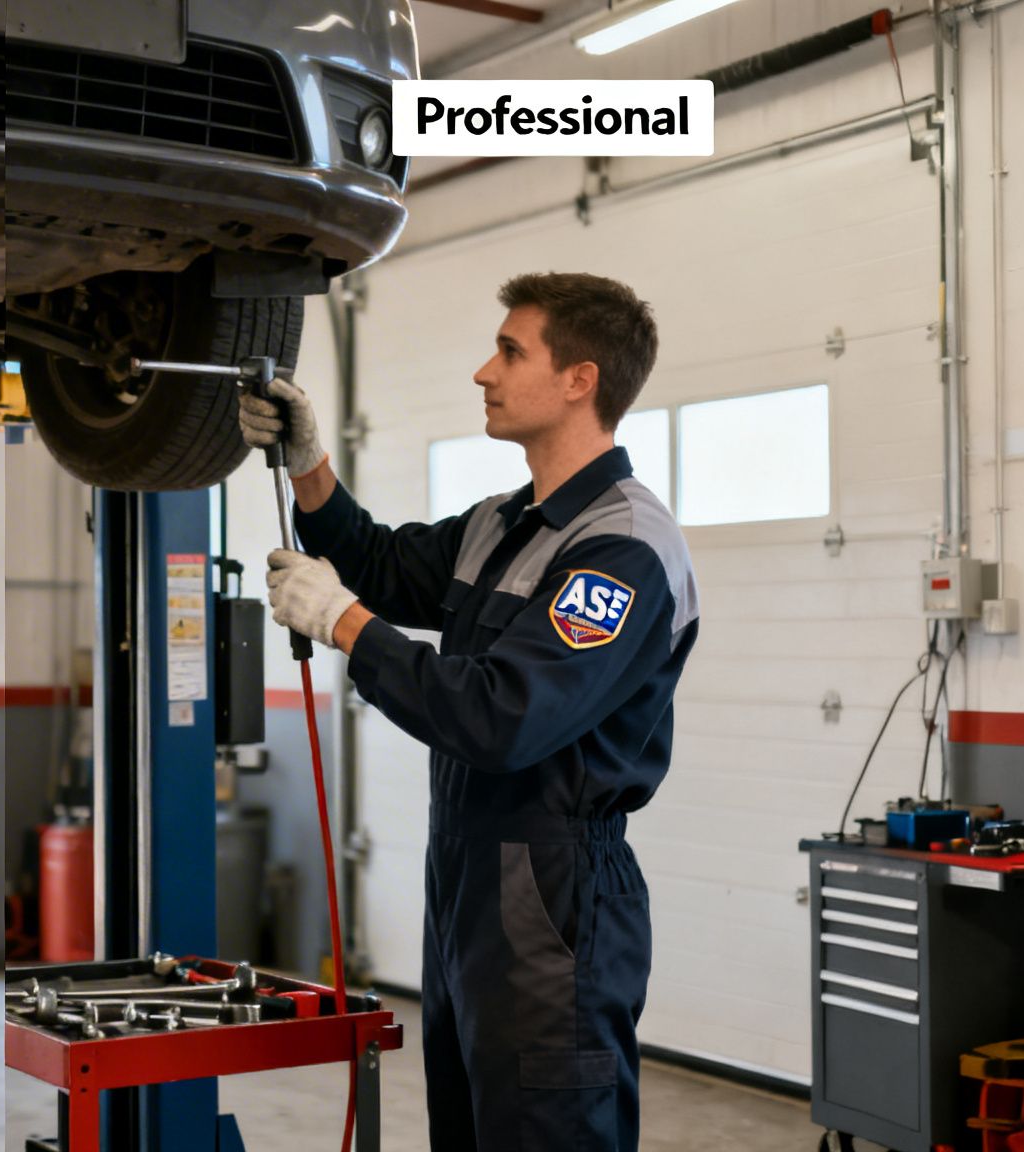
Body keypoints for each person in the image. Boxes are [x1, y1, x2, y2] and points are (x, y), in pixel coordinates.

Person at [242, 273, 698, 1151]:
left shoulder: (623, 550)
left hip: (552, 893)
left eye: (510, 352)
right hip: (465, 878)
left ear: (580, 380)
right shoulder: (503, 523)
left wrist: (343, 623)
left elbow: (503, 719)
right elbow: (379, 561)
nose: (484, 372)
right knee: (468, 1127)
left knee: (547, 1132)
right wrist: (308, 464)